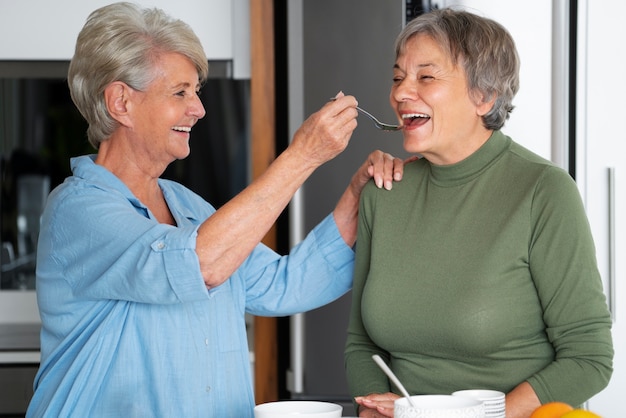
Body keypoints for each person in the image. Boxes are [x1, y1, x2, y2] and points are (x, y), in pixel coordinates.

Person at [25, 3, 405, 417]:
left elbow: (282, 284)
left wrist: (355, 196)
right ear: (121, 103)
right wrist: (303, 156)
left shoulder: (187, 206)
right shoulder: (78, 211)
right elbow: (196, 264)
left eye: (197, 92)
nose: (199, 109)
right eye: (180, 92)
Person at [344, 8, 614, 418]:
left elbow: (589, 358)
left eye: (426, 77)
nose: (400, 93)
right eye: (398, 77)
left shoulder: (543, 191)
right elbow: (362, 345)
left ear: (483, 95)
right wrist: (372, 409)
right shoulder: (383, 193)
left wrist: (481, 414)